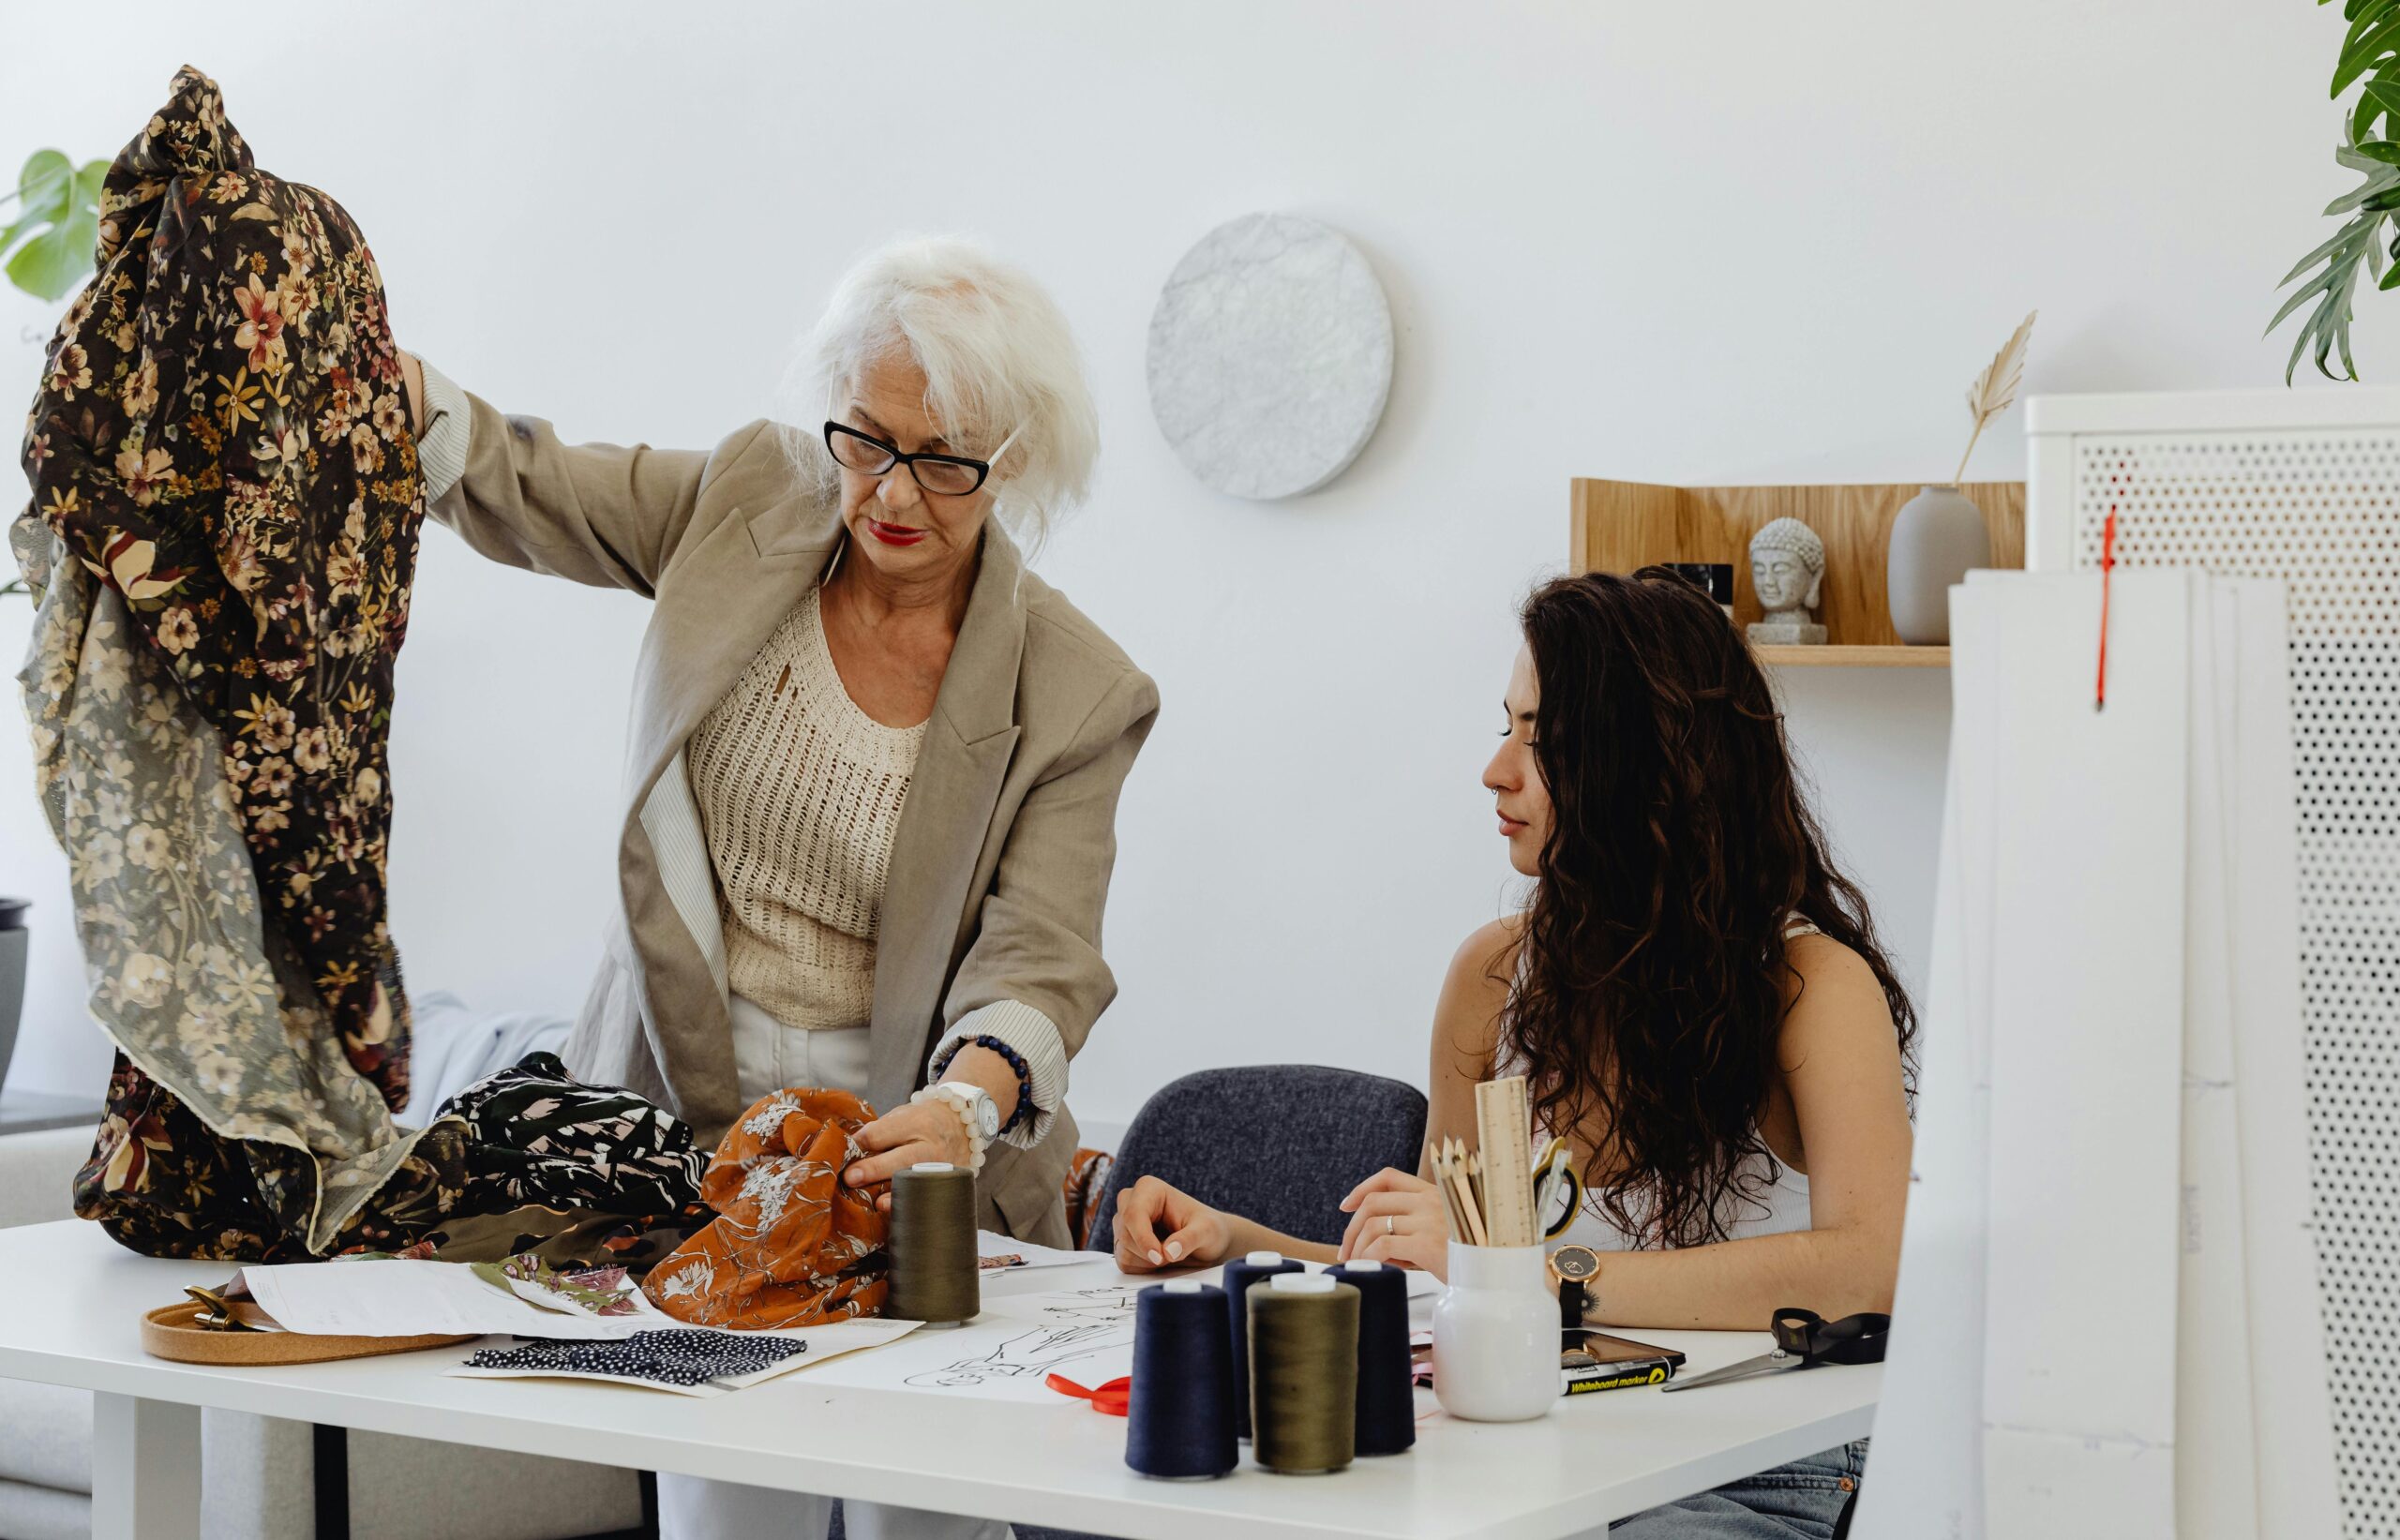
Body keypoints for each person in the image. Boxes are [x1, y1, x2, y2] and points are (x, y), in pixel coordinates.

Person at [400, 237, 1157, 1540]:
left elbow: (1039, 954)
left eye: (946, 458)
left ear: (1019, 459)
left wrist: (967, 1106)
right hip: (690, 1124)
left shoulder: (1078, 689)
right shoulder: (754, 499)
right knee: (719, 1506)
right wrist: (354, 361)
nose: (894, 490)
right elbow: (532, 484)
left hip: (913, 1151)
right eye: (867, 439)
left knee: (922, 1507)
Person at [1111, 567, 1913, 1536]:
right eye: (1507, 728)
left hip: (1753, 1480)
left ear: (1653, 762)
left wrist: (1527, 1270)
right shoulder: (1491, 979)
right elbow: (1441, 1275)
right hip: (1532, 1462)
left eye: (1543, 739)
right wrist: (1237, 1241)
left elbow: (1871, 1269)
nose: (1498, 771)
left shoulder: (1809, 987)